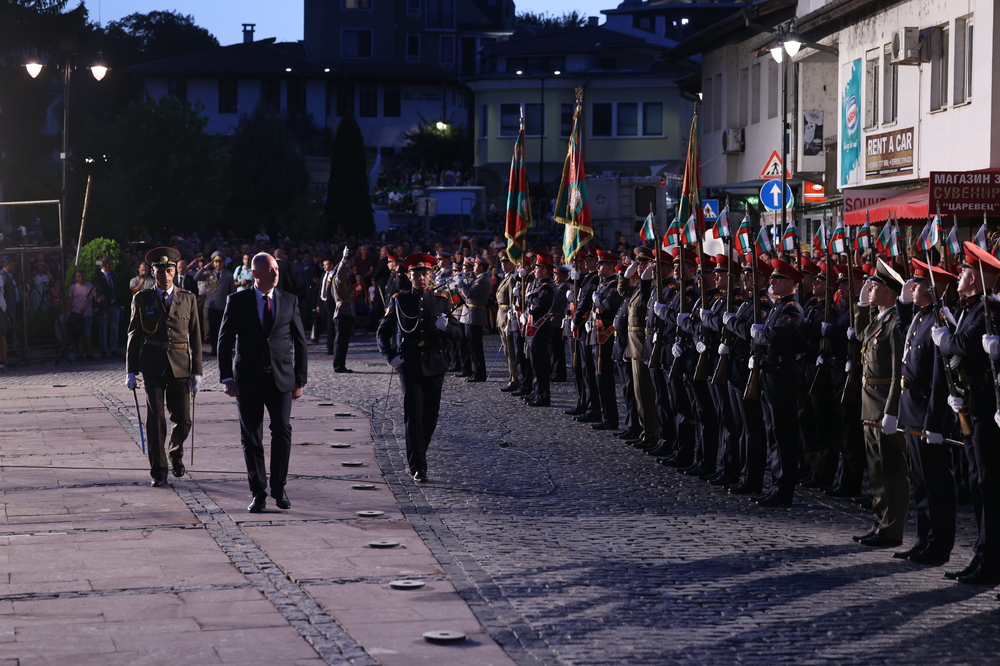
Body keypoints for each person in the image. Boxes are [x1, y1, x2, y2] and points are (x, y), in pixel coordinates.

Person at [218, 252, 308, 513]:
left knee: (282, 431)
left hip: (281, 379)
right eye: (271, 270)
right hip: (247, 380)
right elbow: (224, 341)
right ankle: (258, 491)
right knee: (251, 437)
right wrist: (227, 378)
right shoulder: (237, 301)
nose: (276, 273)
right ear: (256, 274)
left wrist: (299, 379)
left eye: (277, 269)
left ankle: (279, 488)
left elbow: (300, 343)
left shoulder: (289, 300)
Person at [934, 242, 1000, 584]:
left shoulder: (986, 310)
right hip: (972, 407)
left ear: (977, 278)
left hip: (988, 410)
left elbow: (963, 345)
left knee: (988, 484)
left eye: (964, 271)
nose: (959, 275)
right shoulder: (973, 309)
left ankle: (990, 559)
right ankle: (982, 554)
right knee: (978, 483)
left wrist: (945, 340)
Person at [893, 258, 958, 564]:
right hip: (911, 407)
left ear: (930, 290)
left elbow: (939, 377)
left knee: (936, 484)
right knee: (921, 482)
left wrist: (935, 421)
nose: (911, 287)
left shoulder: (939, 321)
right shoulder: (921, 317)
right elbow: (903, 332)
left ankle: (939, 544)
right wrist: (903, 305)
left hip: (926, 409)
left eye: (916, 284)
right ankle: (924, 538)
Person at [377, 253, 461, 482]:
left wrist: (446, 328)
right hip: (410, 365)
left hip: (435, 364)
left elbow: (458, 333)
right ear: (409, 276)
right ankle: (418, 465)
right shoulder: (399, 300)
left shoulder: (442, 300)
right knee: (413, 415)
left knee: (430, 416)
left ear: (431, 275)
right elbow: (383, 332)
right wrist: (390, 355)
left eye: (425, 274)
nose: (421, 278)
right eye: (416, 274)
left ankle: (419, 450)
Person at [125, 247, 202, 487]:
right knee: (155, 420)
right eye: (160, 271)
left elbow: (196, 336)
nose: (165, 276)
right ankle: (159, 470)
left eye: (169, 271)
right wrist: (130, 369)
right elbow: (134, 334)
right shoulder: (142, 298)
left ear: (175, 272)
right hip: (153, 364)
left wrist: (197, 371)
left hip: (180, 364)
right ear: (152, 272)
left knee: (184, 419)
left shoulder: (187, 298)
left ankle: (175, 454)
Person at [852, 258, 907, 548]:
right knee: (876, 472)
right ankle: (880, 524)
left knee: (892, 472)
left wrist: (891, 411)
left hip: (884, 405)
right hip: (869, 404)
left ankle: (891, 530)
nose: (869, 289)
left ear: (888, 291)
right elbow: (862, 337)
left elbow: (899, 371)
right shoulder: (880, 319)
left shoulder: (896, 321)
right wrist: (861, 308)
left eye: (874, 286)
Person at [751, 258, 805, 507]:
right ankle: (776, 485)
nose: (771, 281)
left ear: (791, 283)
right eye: (771, 277)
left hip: (783, 374)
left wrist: (757, 334)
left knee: (783, 434)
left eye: (777, 278)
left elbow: (773, 336)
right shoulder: (778, 307)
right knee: (774, 431)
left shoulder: (792, 308)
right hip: (772, 373)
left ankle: (784, 489)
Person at [457, 254, 492, 382]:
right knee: (471, 345)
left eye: (476, 265)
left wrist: (460, 282)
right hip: (470, 314)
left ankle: (479, 373)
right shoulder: (478, 278)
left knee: (475, 346)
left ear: (481, 267)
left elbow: (468, 293)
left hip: (475, 315)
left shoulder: (482, 280)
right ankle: (474, 371)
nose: (474, 267)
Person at [194, 252, 235, 356]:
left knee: (223, 329)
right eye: (216, 262)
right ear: (213, 263)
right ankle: (213, 349)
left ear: (223, 262)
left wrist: (230, 306)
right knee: (212, 329)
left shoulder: (228, 275)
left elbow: (232, 291)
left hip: (222, 305)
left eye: (220, 262)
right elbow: (196, 277)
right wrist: (204, 268)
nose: (218, 264)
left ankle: (223, 349)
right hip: (210, 305)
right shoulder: (209, 274)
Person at [332, 247, 356, 373]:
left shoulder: (345, 282)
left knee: (344, 341)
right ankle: (338, 365)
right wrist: (344, 259)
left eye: (348, 272)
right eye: (345, 271)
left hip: (347, 312)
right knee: (340, 341)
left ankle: (341, 364)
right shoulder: (338, 280)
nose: (346, 273)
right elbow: (340, 273)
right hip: (342, 312)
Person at [92, 256, 122, 358]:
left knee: (114, 328)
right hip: (104, 306)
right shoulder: (99, 276)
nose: (113, 266)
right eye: (112, 264)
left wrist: (120, 304)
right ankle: (104, 349)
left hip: (114, 305)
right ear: (107, 265)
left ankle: (114, 349)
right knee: (103, 328)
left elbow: (117, 290)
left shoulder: (113, 275)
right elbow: (95, 289)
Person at [66, 270, 97, 360]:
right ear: (76, 277)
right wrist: (67, 313)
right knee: (78, 335)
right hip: (76, 313)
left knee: (86, 334)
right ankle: (81, 354)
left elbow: (96, 299)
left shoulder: (91, 287)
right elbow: (70, 301)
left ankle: (89, 353)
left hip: (87, 314)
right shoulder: (73, 287)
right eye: (79, 276)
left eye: (82, 276)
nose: (81, 278)